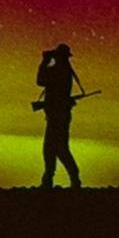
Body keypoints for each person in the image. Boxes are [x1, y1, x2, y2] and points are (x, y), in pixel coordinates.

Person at [36, 43, 83, 188]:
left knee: (56, 148)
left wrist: (44, 62)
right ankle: (55, 179)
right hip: (58, 115)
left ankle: (58, 179)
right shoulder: (62, 71)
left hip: (58, 116)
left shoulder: (59, 71)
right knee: (55, 148)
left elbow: (40, 81)